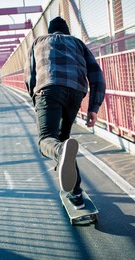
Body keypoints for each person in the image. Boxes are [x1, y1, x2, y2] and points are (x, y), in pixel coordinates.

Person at [24, 17, 106, 209]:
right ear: (67, 31)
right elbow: (97, 76)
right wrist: (93, 108)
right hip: (75, 92)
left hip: (49, 89)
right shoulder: (77, 43)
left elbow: (30, 76)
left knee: (47, 140)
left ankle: (61, 155)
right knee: (64, 139)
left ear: (49, 31)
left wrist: (36, 100)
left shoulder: (38, 42)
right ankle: (75, 192)